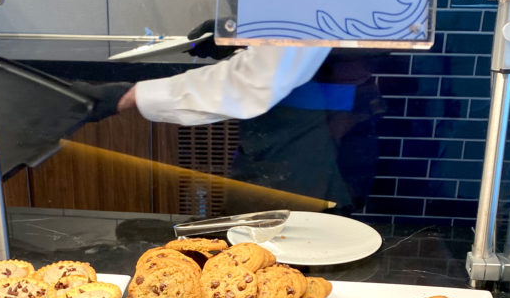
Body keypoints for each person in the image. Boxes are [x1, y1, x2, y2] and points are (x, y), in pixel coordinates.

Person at [79, 30, 385, 214]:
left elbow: (257, 80)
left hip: (318, 131)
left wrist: (132, 95)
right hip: (290, 126)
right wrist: (240, 35)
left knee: (286, 249)